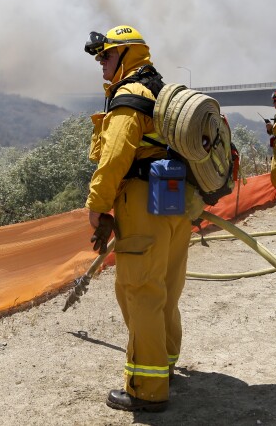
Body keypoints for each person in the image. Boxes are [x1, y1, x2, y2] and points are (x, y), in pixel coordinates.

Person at [83, 24, 205, 413]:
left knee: (140, 293)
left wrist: (97, 204)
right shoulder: (161, 91)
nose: (102, 64)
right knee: (165, 288)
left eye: (106, 56)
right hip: (174, 204)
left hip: (141, 204)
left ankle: (146, 389)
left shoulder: (129, 95)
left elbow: (115, 155)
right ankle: (164, 364)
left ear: (126, 55)